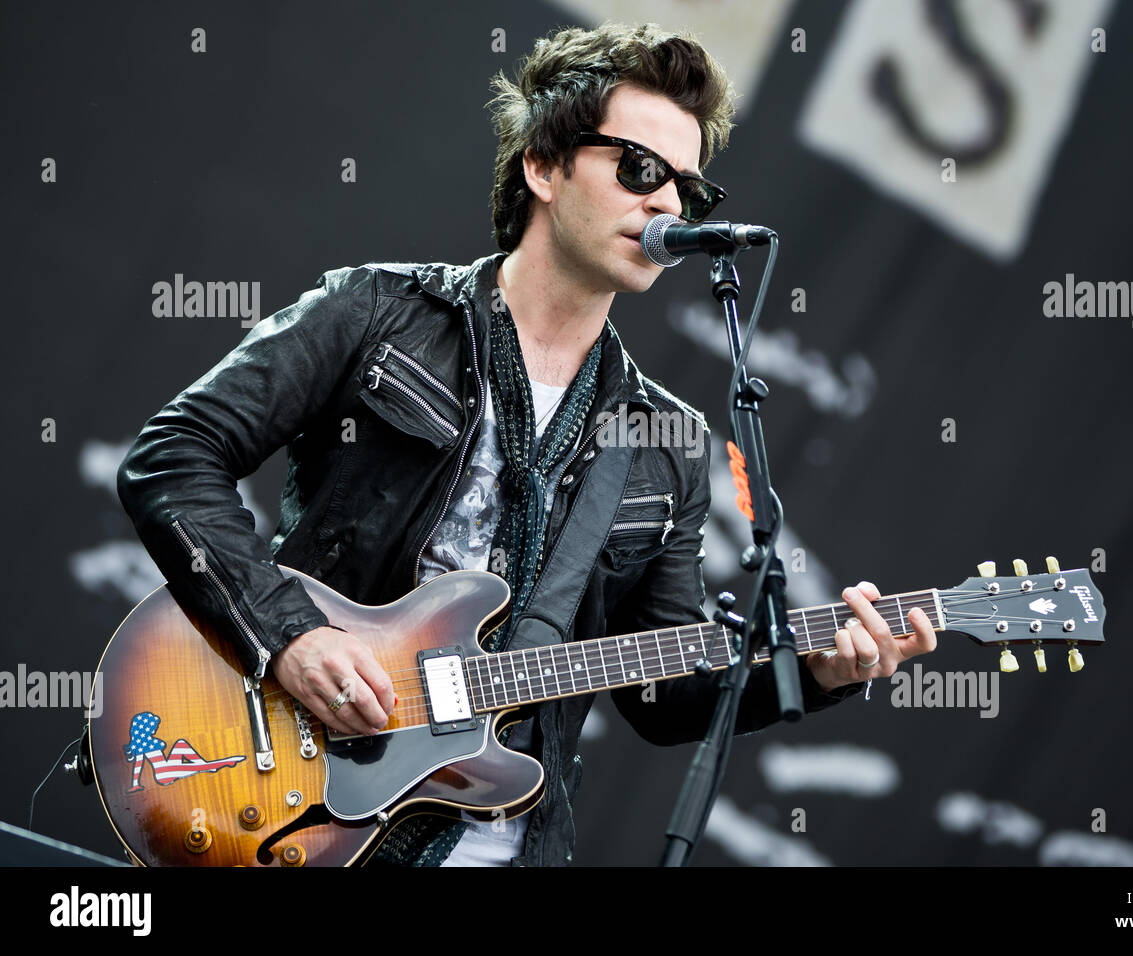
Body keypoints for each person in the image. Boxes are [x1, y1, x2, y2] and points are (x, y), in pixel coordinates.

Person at [116, 21, 938, 867]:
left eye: (687, 189)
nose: (664, 204)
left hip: (498, 845)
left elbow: (664, 699)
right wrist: (291, 637)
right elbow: (171, 458)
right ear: (543, 166)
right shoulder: (376, 315)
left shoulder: (665, 446)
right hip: (296, 796)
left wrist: (822, 673)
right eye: (640, 168)